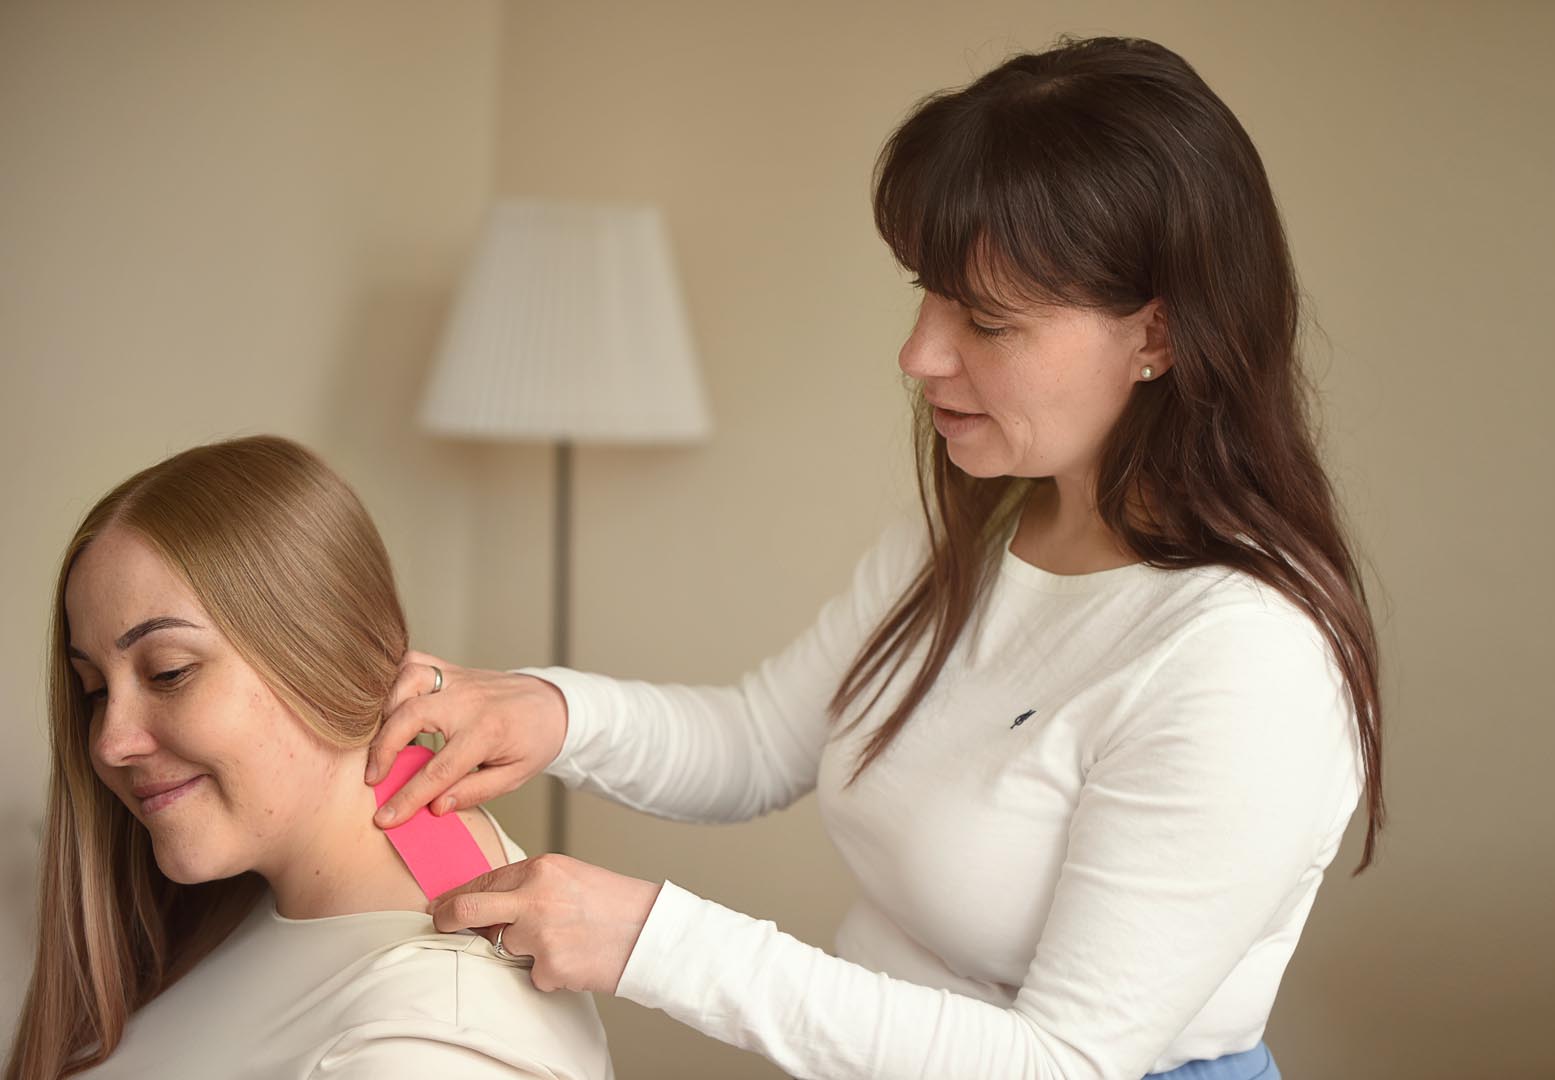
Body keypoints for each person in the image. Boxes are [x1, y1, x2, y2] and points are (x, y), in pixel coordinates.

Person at [365, 34, 1384, 1080]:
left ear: (1157, 336)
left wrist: (651, 942)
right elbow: (759, 741)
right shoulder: (975, 538)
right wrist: (546, 710)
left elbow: (1063, 1064)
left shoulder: (1244, 662)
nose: (918, 354)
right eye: (927, 293)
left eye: (986, 320)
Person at [4, 436, 614, 1080]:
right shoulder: (248, 891)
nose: (108, 742)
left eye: (169, 672)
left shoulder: (431, 1045)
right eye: (95, 690)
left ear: (327, 652)